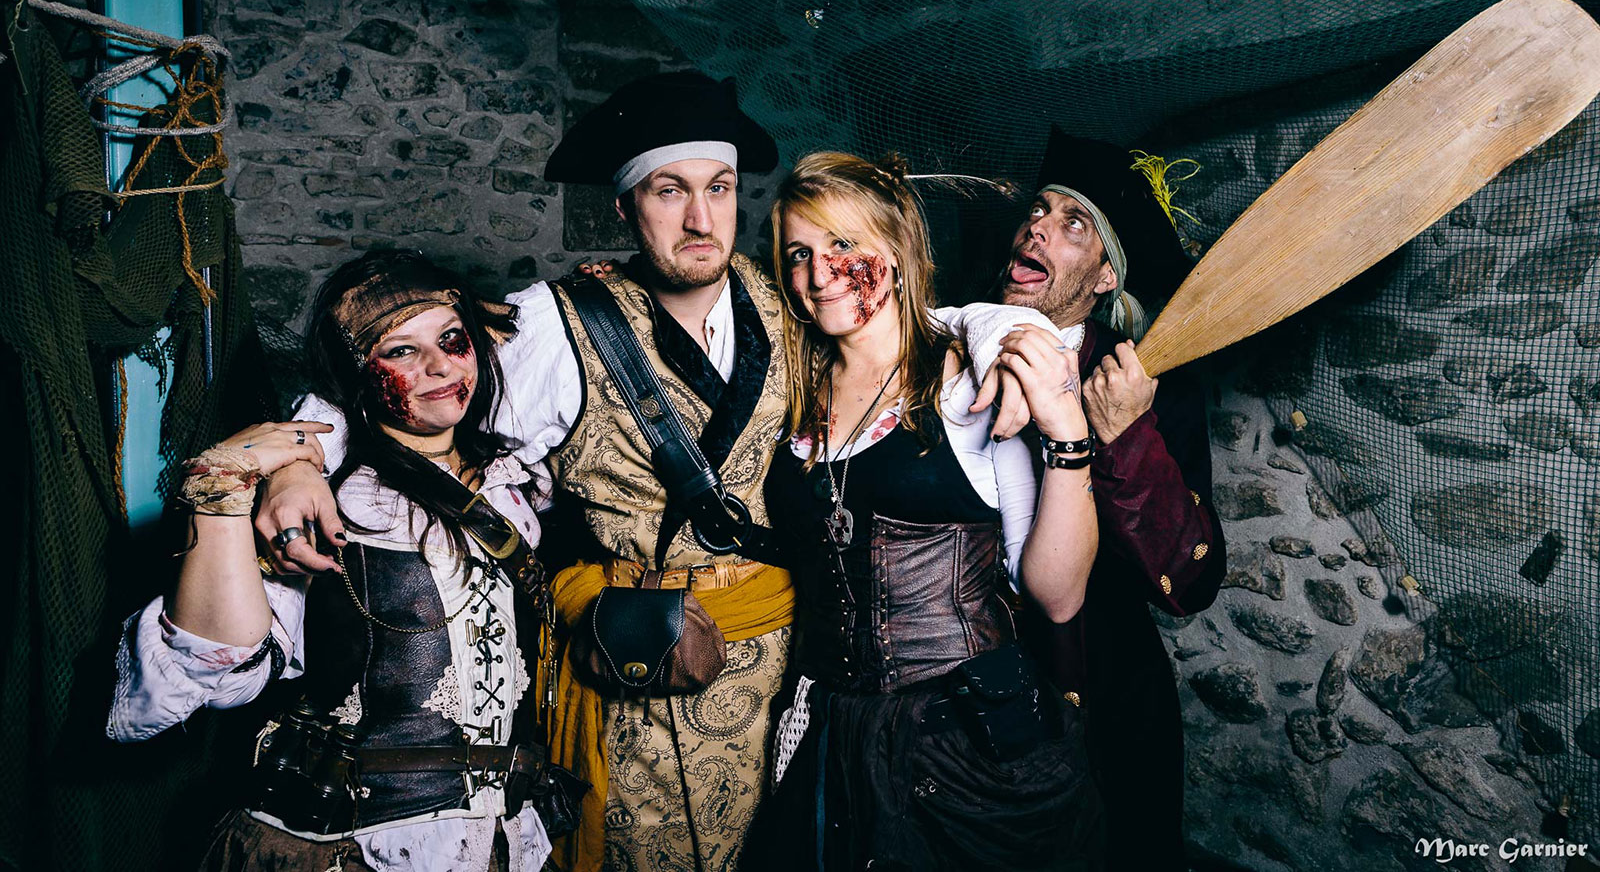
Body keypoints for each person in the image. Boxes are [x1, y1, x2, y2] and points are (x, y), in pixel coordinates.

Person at [255, 72, 1047, 872]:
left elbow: (909, 319)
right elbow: (409, 378)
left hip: (789, 679)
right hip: (645, 672)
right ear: (626, 208)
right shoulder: (555, 325)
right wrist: (300, 456)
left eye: (719, 188)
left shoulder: (792, 297)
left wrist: (1005, 328)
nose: (701, 219)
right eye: (670, 191)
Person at [107, 250, 565, 871]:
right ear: (358, 373)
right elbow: (211, 662)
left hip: (504, 838)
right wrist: (224, 488)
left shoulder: (515, 483)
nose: (438, 366)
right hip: (360, 845)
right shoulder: (331, 503)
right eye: (400, 351)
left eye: (451, 340)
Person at [751, 152, 1105, 870]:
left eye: (844, 244)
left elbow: (1057, 593)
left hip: (965, 740)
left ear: (895, 250)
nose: (820, 274)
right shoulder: (792, 385)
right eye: (799, 254)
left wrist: (1069, 434)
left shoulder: (968, 382)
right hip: (830, 731)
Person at [992, 127, 1227, 870]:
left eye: (1074, 223)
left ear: (1103, 278)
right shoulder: (947, 357)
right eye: (1038, 210)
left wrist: (1124, 435)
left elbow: (1194, 582)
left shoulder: (1152, 387)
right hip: (971, 691)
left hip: (1109, 699)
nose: (1037, 226)